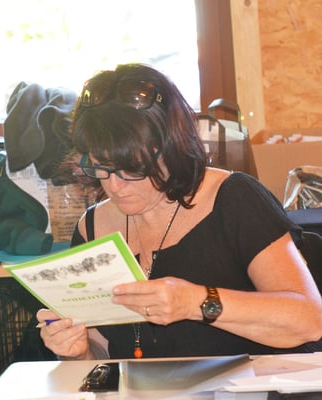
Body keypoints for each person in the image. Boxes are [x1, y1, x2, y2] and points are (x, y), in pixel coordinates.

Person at [37, 63, 322, 360]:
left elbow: (309, 320)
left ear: (171, 148)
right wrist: (76, 352)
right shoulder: (92, 227)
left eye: (132, 169)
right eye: (101, 168)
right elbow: (104, 352)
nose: (115, 186)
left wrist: (194, 302)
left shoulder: (234, 199)